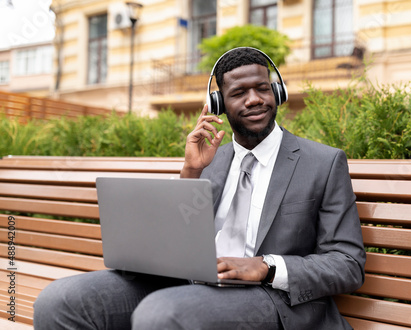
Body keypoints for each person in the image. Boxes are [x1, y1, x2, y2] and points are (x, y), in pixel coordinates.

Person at [33, 47, 365, 330]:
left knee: (161, 313)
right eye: (239, 93)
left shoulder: (322, 162)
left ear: (276, 92)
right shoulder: (211, 162)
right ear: (219, 103)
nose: (254, 100)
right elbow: (174, 241)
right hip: (192, 284)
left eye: (262, 89)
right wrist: (191, 171)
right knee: (59, 301)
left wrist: (266, 266)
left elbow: (347, 264)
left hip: (272, 297)